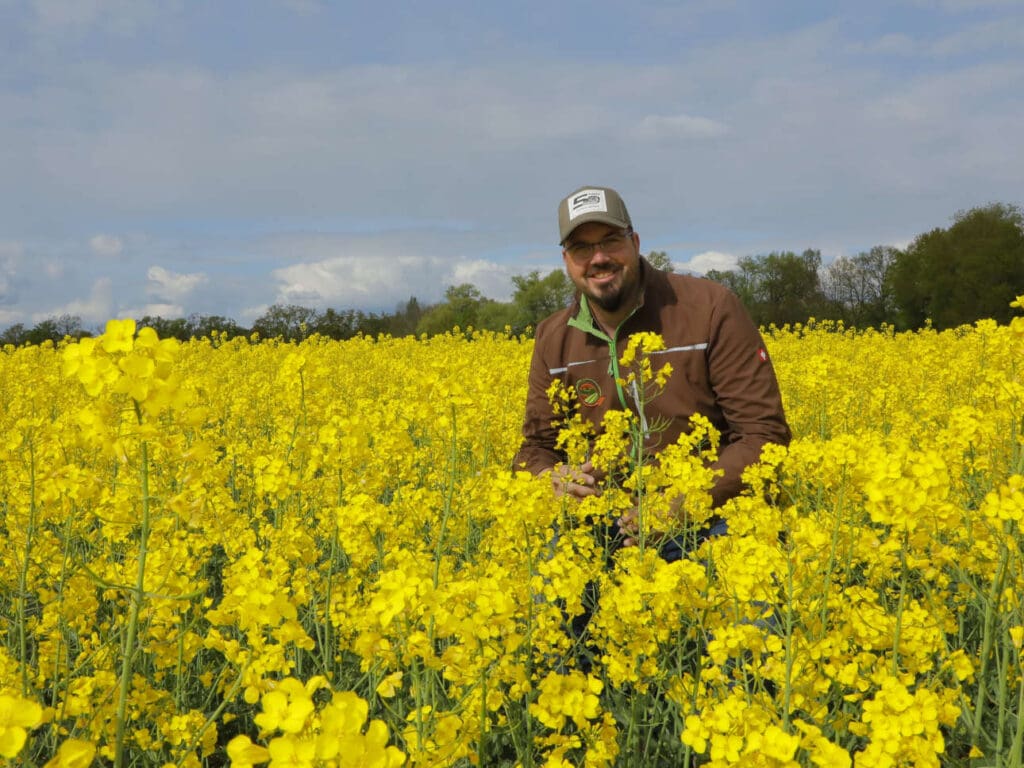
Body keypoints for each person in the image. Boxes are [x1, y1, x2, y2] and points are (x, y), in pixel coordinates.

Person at [513, 185, 791, 550]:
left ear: (636, 242)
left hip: (713, 514)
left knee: (746, 598)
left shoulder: (710, 309)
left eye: (611, 240)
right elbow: (536, 447)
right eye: (581, 248)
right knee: (540, 595)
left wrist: (682, 503)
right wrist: (549, 477)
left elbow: (763, 436)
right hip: (606, 521)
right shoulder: (552, 337)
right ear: (567, 260)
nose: (598, 258)